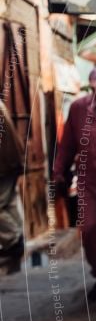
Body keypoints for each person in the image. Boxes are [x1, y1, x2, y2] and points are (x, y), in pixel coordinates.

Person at [53, 65, 96, 300]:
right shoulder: (79, 108)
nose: (94, 90)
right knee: (90, 229)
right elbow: (67, 144)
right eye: (91, 85)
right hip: (89, 181)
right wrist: (59, 171)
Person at [0, 99, 24, 275]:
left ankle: (13, 240)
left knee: (2, 204)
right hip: (9, 163)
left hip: (4, 165)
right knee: (9, 202)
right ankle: (17, 239)